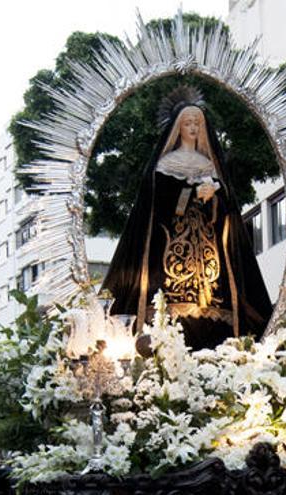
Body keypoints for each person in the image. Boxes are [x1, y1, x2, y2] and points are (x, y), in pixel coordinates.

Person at [102, 86, 272, 350]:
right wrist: (194, 192)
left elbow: (228, 217)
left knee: (216, 309)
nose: (192, 128)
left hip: (207, 256)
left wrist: (215, 196)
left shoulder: (209, 166)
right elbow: (158, 205)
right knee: (166, 310)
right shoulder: (166, 163)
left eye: (197, 123)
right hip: (171, 251)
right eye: (187, 123)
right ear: (178, 128)